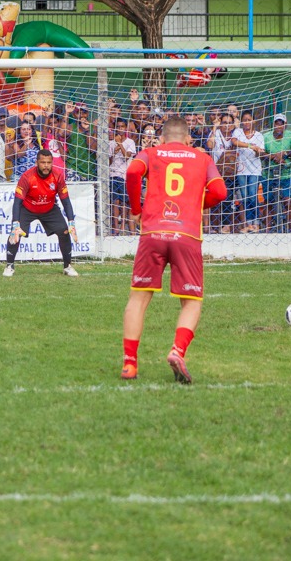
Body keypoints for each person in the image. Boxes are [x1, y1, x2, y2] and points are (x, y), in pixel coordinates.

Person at [121, 116, 227, 383]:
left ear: (162, 139)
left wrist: (136, 210)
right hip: (186, 234)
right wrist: (199, 203)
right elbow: (220, 191)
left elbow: (133, 172)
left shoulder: (150, 152)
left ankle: (130, 365)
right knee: (191, 302)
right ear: (189, 139)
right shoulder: (201, 158)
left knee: (138, 298)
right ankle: (177, 351)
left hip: (153, 232)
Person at [2, 149, 80, 277]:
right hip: (28, 208)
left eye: (49, 162)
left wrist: (71, 222)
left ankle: (67, 266)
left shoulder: (58, 176)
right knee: (15, 233)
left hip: (49, 208)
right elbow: (17, 202)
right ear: (37, 162)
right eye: (43, 162)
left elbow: (65, 201)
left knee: (65, 231)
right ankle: (9, 266)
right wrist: (15, 223)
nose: (46, 166)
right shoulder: (27, 177)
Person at [261, 114, 291, 233]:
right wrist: (274, 157)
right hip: (269, 173)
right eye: (276, 123)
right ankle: (267, 230)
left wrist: (284, 154)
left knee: (288, 201)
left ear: (285, 125)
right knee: (269, 202)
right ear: (273, 125)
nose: (279, 126)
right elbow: (261, 153)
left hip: (286, 173)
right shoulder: (265, 137)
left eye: (281, 123)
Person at [230, 110, 265, 233]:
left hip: (255, 170)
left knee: (252, 195)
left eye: (249, 119)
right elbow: (234, 142)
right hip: (241, 170)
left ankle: (255, 222)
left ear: (253, 121)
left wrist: (257, 150)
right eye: (244, 120)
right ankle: (248, 224)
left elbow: (260, 152)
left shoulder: (259, 135)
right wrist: (251, 146)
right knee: (244, 197)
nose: (246, 122)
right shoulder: (238, 131)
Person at [207, 113, 238, 233]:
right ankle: (214, 226)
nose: (227, 125)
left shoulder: (236, 135)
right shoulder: (216, 133)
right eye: (224, 122)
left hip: (231, 173)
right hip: (217, 172)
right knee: (215, 199)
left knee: (228, 199)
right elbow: (210, 145)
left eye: (229, 123)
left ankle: (226, 226)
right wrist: (214, 128)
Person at [108, 117, 136, 234]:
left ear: (126, 128)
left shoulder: (130, 142)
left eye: (122, 127)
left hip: (125, 175)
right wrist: (113, 153)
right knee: (115, 201)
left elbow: (126, 157)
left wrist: (120, 144)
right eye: (118, 127)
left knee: (124, 202)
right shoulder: (110, 143)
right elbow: (109, 162)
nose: (120, 129)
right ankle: (115, 227)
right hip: (113, 174)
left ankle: (123, 226)